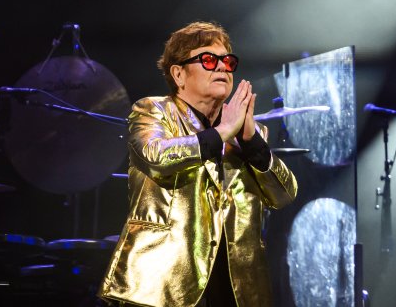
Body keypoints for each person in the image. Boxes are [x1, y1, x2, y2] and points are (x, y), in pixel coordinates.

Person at [99, 21, 298, 307]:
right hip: (161, 283)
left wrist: (252, 142)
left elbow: (284, 194)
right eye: (208, 59)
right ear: (179, 74)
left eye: (227, 61)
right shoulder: (153, 110)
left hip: (237, 289)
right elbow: (155, 157)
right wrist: (220, 133)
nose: (222, 67)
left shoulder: (250, 133)